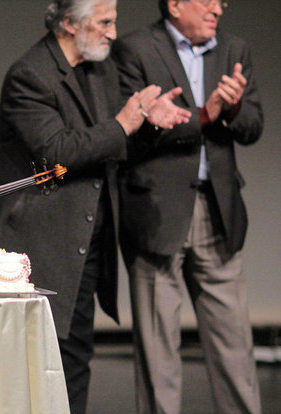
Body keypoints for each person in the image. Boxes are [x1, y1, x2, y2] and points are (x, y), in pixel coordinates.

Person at [0, 1, 190, 412]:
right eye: (105, 23)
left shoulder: (99, 69)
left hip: (84, 241)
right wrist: (125, 123)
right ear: (69, 23)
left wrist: (148, 124)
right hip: (37, 245)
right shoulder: (30, 75)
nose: (114, 33)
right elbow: (56, 152)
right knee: (30, 366)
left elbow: (115, 144)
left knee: (75, 358)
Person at [111, 1, 264, 413]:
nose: (219, 7)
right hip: (157, 213)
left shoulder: (234, 49)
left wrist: (230, 110)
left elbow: (253, 125)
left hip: (217, 210)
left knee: (235, 349)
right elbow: (127, 135)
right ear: (176, 4)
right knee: (159, 353)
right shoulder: (136, 50)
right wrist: (205, 114)